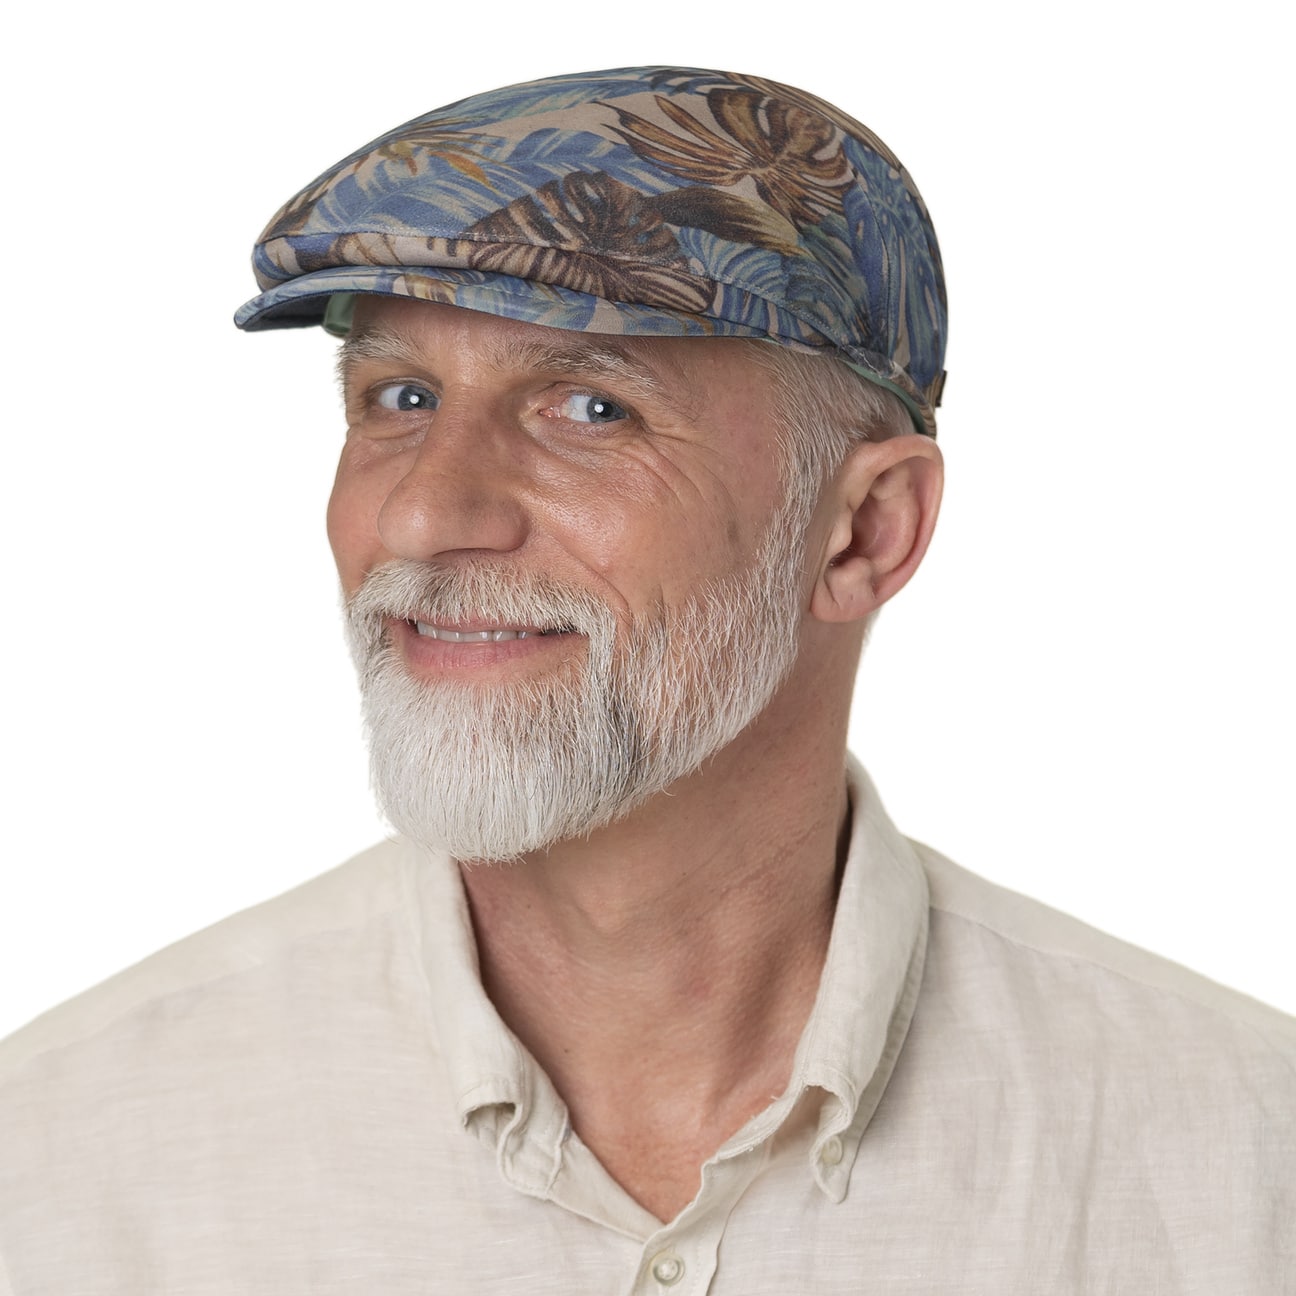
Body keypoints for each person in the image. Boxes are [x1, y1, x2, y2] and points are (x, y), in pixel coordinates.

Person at [0, 65, 1291, 1294]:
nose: (422, 517)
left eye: (592, 409)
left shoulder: (1241, 1168)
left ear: (864, 532)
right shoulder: (62, 1160)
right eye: (400, 397)